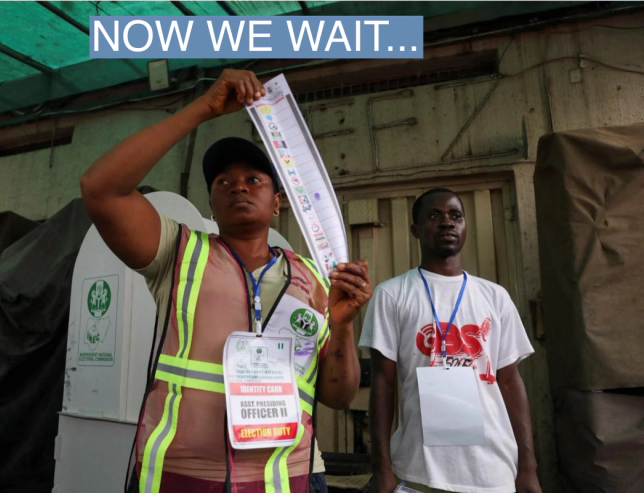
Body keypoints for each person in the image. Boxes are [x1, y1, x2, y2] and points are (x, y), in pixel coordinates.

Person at [80, 69, 373, 493]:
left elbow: (338, 397)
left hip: (287, 477)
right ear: (212, 205)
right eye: (224, 182)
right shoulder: (178, 251)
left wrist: (343, 325)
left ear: (277, 203)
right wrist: (202, 109)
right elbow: (100, 188)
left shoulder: (313, 278)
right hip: (179, 476)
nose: (238, 186)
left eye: (254, 180)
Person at [360, 188, 542, 493]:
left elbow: (510, 382)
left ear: (465, 227)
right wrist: (382, 469)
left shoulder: (494, 297)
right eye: (434, 216)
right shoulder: (392, 294)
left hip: (493, 472)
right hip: (419, 471)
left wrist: (528, 468)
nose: (447, 223)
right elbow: (383, 382)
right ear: (415, 230)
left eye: (455, 215)